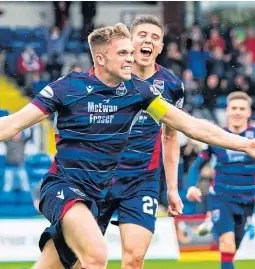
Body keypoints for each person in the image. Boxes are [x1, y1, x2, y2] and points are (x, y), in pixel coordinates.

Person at [0, 23, 255, 269]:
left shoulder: (138, 92)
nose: (131, 57)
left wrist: (245, 145)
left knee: (55, 265)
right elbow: (15, 121)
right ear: (101, 59)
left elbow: (191, 126)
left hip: (99, 193)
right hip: (63, 188)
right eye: (123, 52)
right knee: (96, 255)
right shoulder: (68, 87)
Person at [100, 15, 184, 269]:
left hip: (141, 181)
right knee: (84, 259)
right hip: (99, 177)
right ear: (130, 42)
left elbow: (170, 136)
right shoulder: (106, 77)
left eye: (155, 38)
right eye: (142, 35)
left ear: (160, 48)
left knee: (135, 259)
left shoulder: (171, 86)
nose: (148, 41)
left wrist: (171, 188)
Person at [186, 91, 255, 269]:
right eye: (234, 108)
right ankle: (215, 221)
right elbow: (196, 165)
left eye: (242, 109)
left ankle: (214, 226)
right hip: (221, 198)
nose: (237, 112)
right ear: (227, 111)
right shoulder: (216, 136)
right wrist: (192, 186)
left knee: (231, 250)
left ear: (248, 112)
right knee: (227, 245)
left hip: (247, 201)